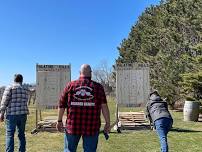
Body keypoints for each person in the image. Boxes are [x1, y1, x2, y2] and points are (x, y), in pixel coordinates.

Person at [56, 64, 110, 152]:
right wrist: (107, 122)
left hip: (73, 126)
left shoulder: (70, 85)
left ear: (79, 73)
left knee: (69, 150)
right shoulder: (98, 87)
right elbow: (104, 106)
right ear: (91, 73)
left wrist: (59, 121)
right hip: (91, 126)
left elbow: (61, 105)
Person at [0, 74, 29, 152]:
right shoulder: (25, 89)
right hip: (23, 114)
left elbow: (4, 101)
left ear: (14, 79)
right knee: (22, 135)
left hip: (11, 114)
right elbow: (26, 101)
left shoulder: (9, 87)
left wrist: (2, 113)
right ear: (21, 80)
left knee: (10, 135)